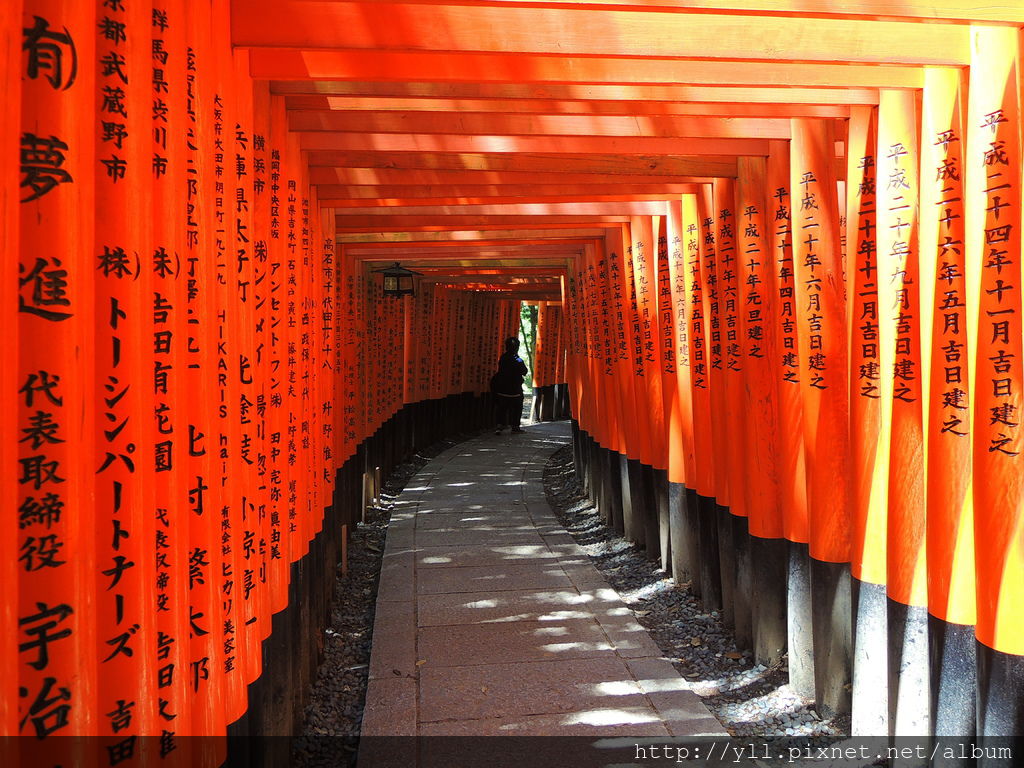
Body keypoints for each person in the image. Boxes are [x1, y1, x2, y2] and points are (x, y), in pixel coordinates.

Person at [492, 337, 528, 433]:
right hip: (515, 391)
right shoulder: (518, 360)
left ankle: (499, 426)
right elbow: (525, 371)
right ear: (517, 348)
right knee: (517, 407)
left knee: (501, 408)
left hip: (501, 389)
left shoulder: (502, 358)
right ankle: (515, 427)